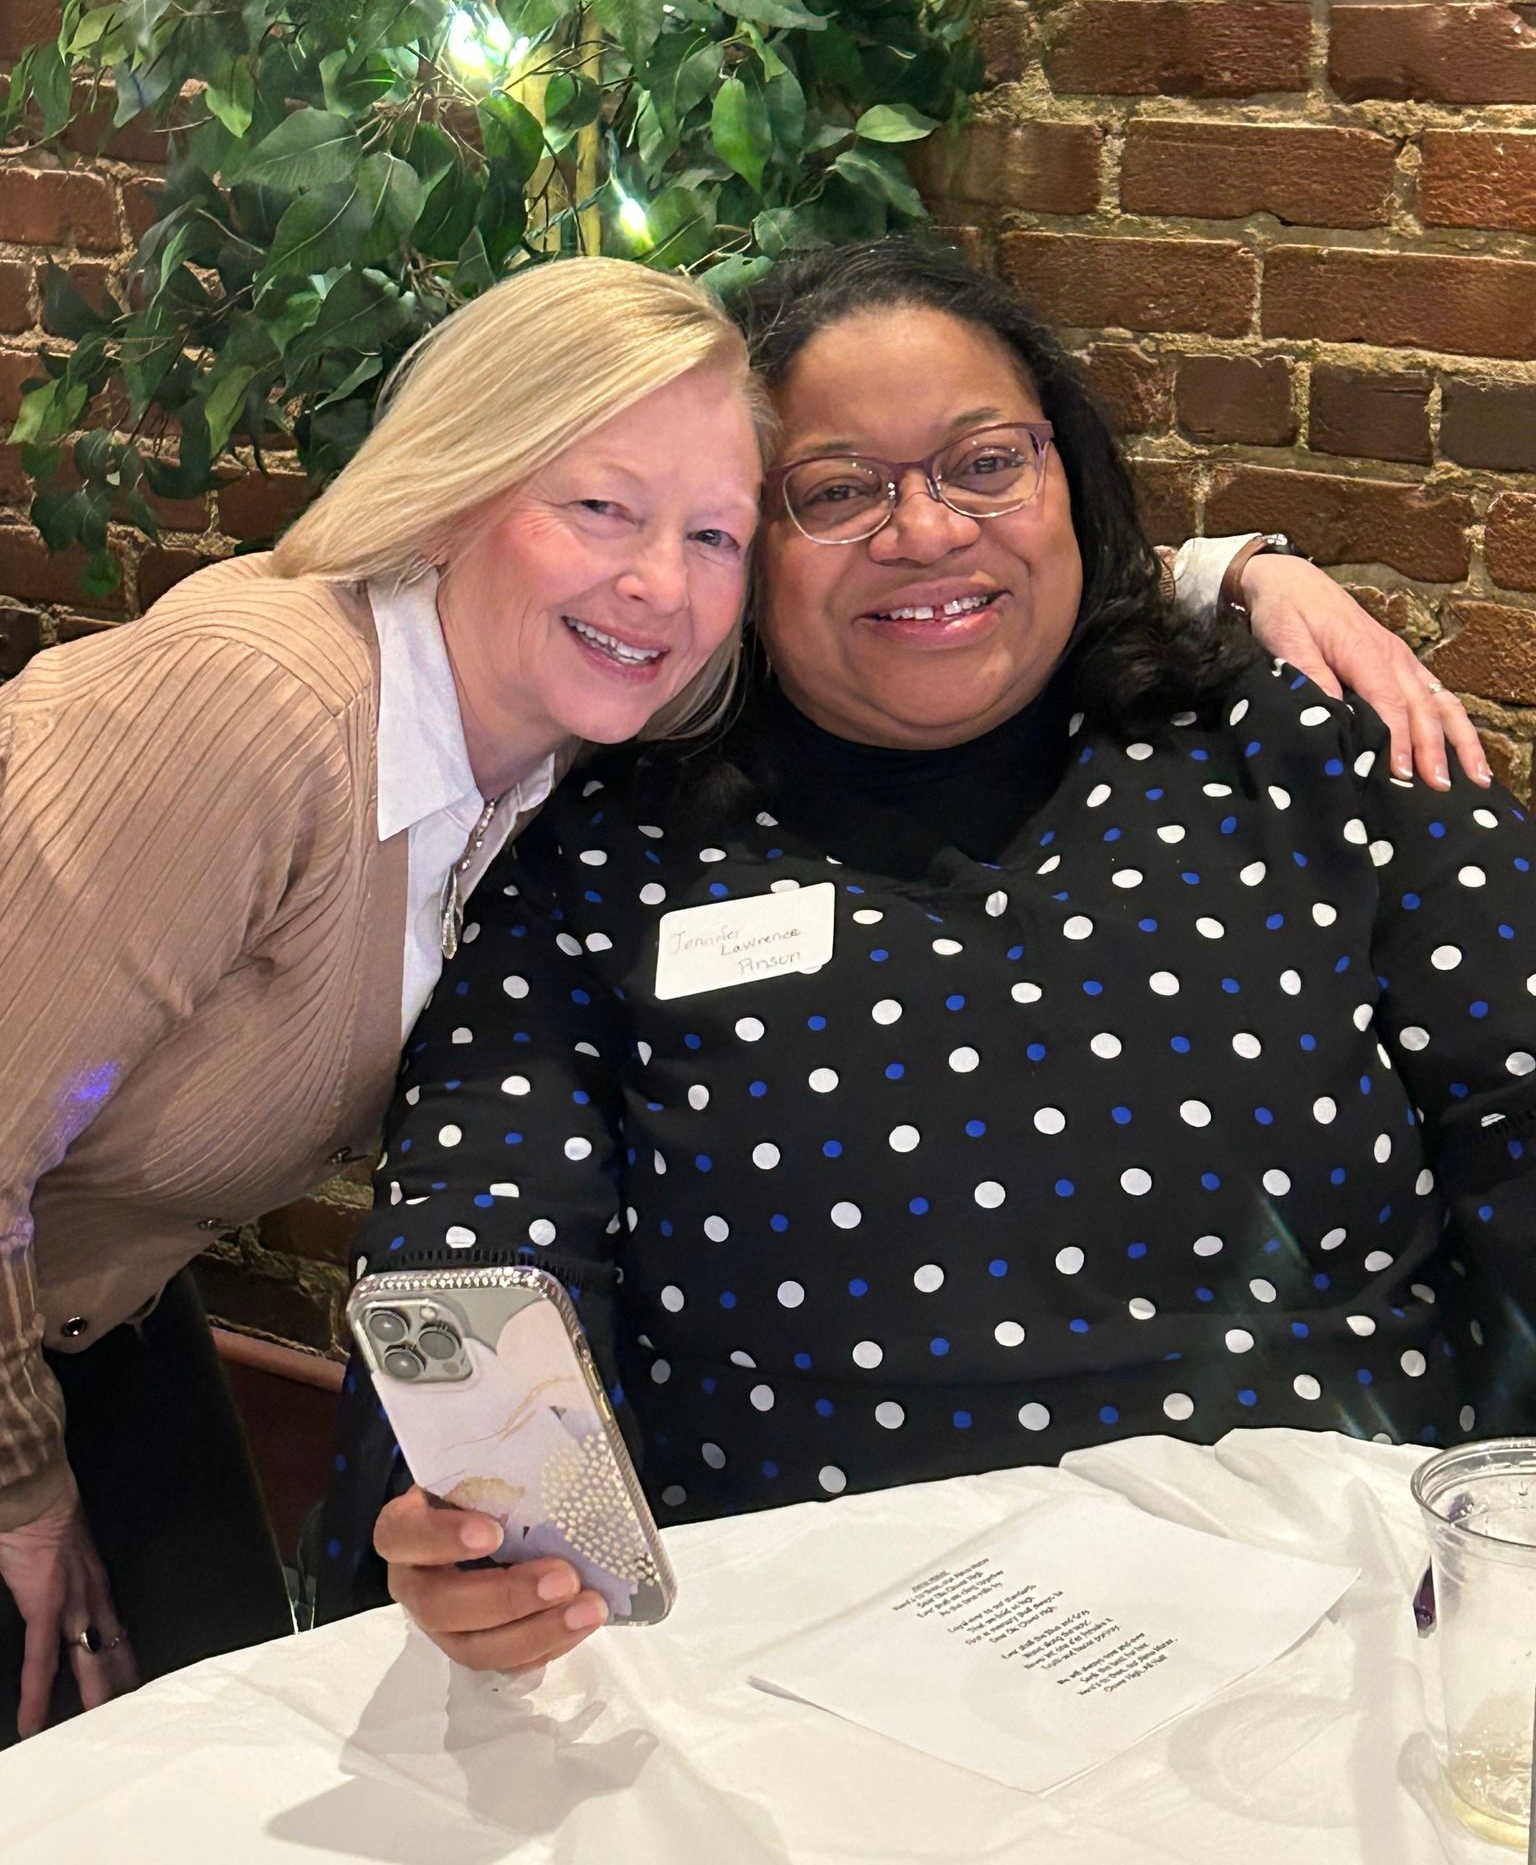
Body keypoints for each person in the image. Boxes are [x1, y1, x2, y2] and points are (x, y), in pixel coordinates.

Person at [324, 238, 1532, 1682]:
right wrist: (490, 1529)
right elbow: (483, 1243)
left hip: (1342, 1649)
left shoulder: (1300, 755)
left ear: (1068, 478)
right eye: (836, 492)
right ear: (740, 550)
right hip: (803, 1675)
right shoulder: (610, 856)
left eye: (986, 464)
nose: (928, 532)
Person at [0, 255, 767, 1743]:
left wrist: (1210, 575)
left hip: (94, 1306)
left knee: (211, 1731)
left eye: (714, 535)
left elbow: (920, 625)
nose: (663, 585)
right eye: (600, 507)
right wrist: (25, 1490)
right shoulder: (262, 709)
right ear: (457, 490)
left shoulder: (545, 753)